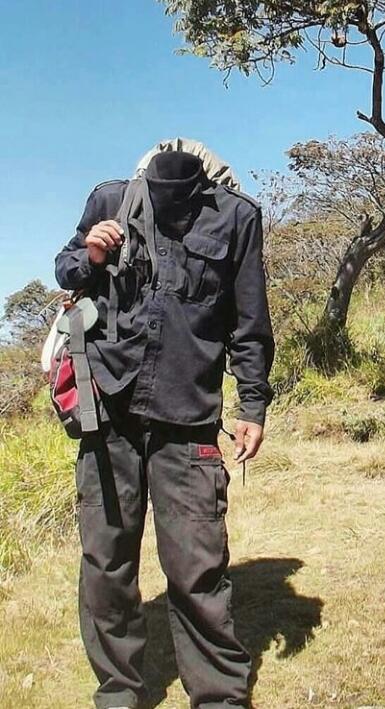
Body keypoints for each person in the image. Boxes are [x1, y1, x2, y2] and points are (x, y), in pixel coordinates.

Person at [55, 140, 274, 709]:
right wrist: (93, 255)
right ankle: (118, 693)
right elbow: (65, 267)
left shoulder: (237, 217)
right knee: (106, 565)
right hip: (108, 415)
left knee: (198, 567)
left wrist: (252, 405)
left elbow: (250, 321)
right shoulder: (109, 199)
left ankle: (220, 697)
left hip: (189, 416)